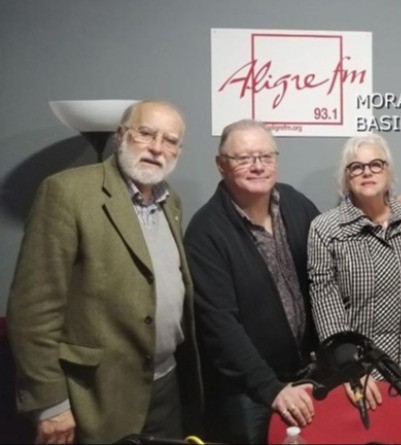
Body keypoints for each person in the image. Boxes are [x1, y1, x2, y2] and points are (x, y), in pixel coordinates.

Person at [6, 100, 202, 443]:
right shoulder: (68, 192)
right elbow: (33, 309)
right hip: (96, 394)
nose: (157, 148)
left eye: (170, 140)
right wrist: (50, 404)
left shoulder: (171, 202)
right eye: (146, 133)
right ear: (121, 135)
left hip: (165, 385)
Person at [184, 120, 319, 443]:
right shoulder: (206, 232)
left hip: (305, 377)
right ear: (221, 164)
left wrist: (384, 206)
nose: (258, 166)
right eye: (244, 158)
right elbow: (219, 325)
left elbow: (331, 255)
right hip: (249, 392)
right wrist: (270, 388)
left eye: (266, 156)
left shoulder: (295, 203)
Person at [307, 134, 401, 410]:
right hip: (358, 376)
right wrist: (350, 369)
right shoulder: (325, 229)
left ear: (388, 171)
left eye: (376, 164)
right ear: (346, 178)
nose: (367, 172)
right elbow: (325, 304)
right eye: (356, 167)